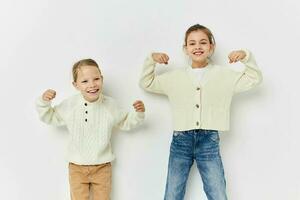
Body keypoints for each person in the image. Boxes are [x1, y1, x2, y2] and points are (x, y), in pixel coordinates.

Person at [139, 24, 262, 200]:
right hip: (181, 141)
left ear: (211, 47)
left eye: (203, 42)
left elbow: (254, 79)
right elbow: (146, 83)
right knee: (173, 193)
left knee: (217, 192)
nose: (198, 47)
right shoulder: (175, 77)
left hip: (209, 141)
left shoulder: (224, 75)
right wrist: (152, 59)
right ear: (185, 49)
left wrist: (246, 57)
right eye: (192, 43)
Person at [36, 58, 145, 200]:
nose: (92, 85)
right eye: (85, 81)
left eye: (96, 79)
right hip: (77, 167)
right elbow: (50, 117)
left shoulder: (110, 105)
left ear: (102, 79)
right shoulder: (70, 105)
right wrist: (44, 103)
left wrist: (138, 113)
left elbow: (125, 122)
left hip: (102, 167)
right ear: (75, 85)